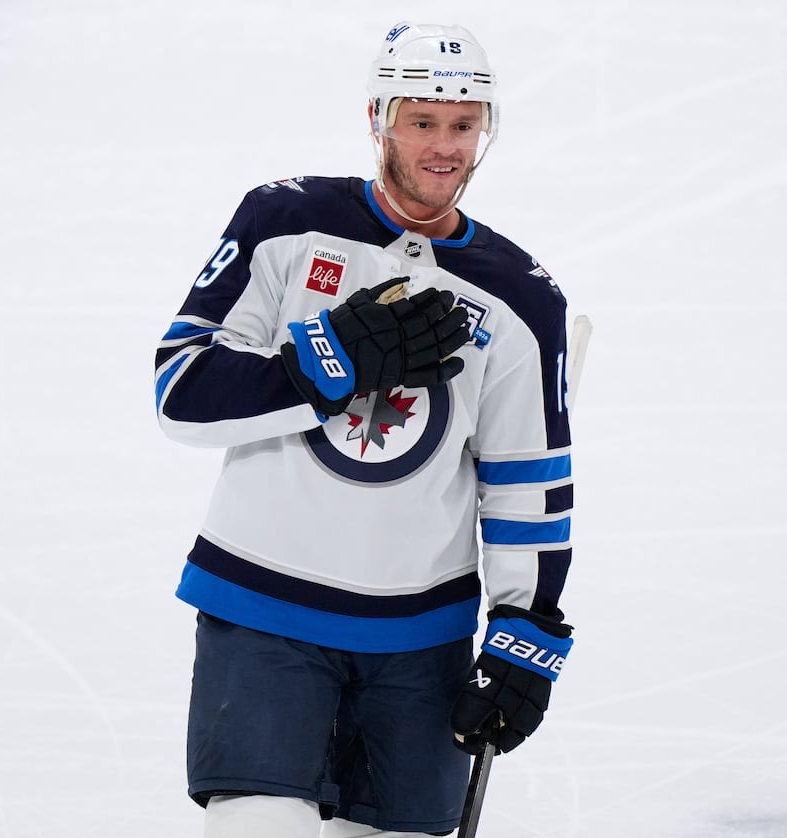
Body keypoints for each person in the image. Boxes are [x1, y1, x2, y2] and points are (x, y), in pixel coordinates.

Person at [154, 21, 576, 838]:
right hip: (264, 609)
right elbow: (182, 388)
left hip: (421, 643)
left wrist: (525, 634)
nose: (444, 146)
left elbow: (525, 483)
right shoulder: (285, 222)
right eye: (422, 121)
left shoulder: (524, 303)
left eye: (463, 125)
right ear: (378, 116)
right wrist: (324, 361)